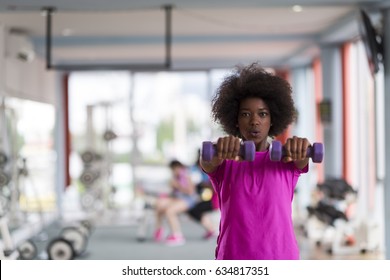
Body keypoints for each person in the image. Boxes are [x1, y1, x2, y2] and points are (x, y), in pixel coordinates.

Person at [200, 62, 311, 260]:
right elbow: (207, 161)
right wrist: (220, 148)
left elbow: (302, 160)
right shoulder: (224, 160)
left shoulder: (287, 158)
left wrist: (301, 147)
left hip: (281, 258)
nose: (254, 121)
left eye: (262, 114)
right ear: (235, 119)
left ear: (272, 119)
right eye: (245, 114)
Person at [154, 159, 197, 246]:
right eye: (172, 170)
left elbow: (190, 192)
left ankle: (177, 236)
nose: (174, 171)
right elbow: (174, 193)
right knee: (159, 203)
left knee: (170, 211)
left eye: (175, 169)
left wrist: (177, 185)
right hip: (177, 198)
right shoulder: (174, 177)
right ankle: (160, 228)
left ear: (179, 167)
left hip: (188, 200)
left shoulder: (186, 175)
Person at [187, 151, 219, 240]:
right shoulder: (196, 168)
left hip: (213, 200)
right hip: (205, 197)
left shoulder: (213, 167)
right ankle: (210, 229)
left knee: (193, 209)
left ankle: (211, 229)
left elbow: (212, 186)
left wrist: (202, 184)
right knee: (194, 210)